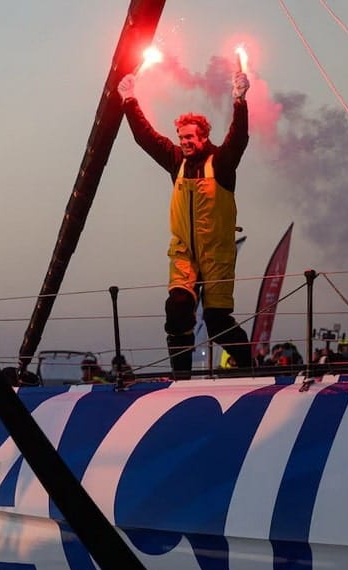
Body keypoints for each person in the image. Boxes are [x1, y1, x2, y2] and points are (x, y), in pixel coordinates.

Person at [118, 67, 252, 378]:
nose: (185, 142)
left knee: (218, 321)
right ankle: (181, 380)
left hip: (217, 253)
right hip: (183, 253)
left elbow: (239, 139)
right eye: (181, 137)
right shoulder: (176, 160)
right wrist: (129, 100)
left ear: (204, 137)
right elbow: (146, 138)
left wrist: (239, 101)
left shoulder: (221, 162)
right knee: (177, 308)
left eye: (190, 137)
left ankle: (250, 370)